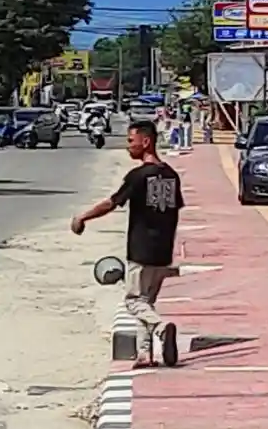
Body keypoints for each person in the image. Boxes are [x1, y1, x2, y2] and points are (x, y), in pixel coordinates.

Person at [70, 120, 183, 368]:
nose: (127, 146)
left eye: (131, 141)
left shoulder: (139, 176)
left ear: (146, 141)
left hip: (141, 249)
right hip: (163, 250)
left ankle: (161, 328)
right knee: (146, 302)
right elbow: (175, 210)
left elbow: (112, 203)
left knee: (133, 301)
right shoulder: (171, 175)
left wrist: (82, 217)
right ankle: (145, 354)